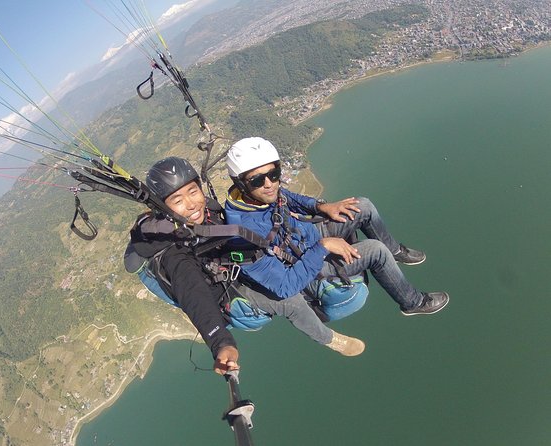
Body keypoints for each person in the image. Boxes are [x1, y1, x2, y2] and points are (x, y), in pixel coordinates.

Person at [127, 157, 365, 375]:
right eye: (178, 201)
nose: (191, 204)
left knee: (280, 252)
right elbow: (195, 298)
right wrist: (222, 344)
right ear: (165, 209)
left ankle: (314, 287)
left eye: (193, 191)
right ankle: (330, 339)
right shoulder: (176, 255)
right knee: (291, 302)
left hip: (234, 264)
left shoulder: (207, 210)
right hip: (227, 294)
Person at [223, 137, 449, 316]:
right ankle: (412, 302)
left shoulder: (258, 196)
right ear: (241, 183)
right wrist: (323, 247)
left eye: (274, 174)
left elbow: (286, 197)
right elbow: (285, 287)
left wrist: (321, 206)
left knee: (362, 206)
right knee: (375, 251)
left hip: (306, 238)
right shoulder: (243, 236)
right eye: (257, 180)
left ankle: (395, 252)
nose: (269, 184)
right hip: (308, 269)